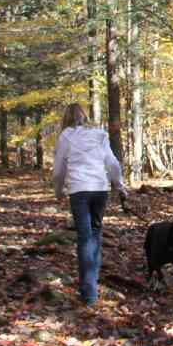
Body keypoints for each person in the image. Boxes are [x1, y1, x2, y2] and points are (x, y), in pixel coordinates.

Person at [51, 103, 128, 306]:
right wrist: (119, 186)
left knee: (85, 238)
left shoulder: (66, 136)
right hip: (100, 189)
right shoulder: (99, 134)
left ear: (66, 118)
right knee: (95, 235)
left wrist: (58, 192)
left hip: (79, 190)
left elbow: (58, 170)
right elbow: (112, 164)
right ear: (84, 116)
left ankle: (89, 293)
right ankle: (91, 285)